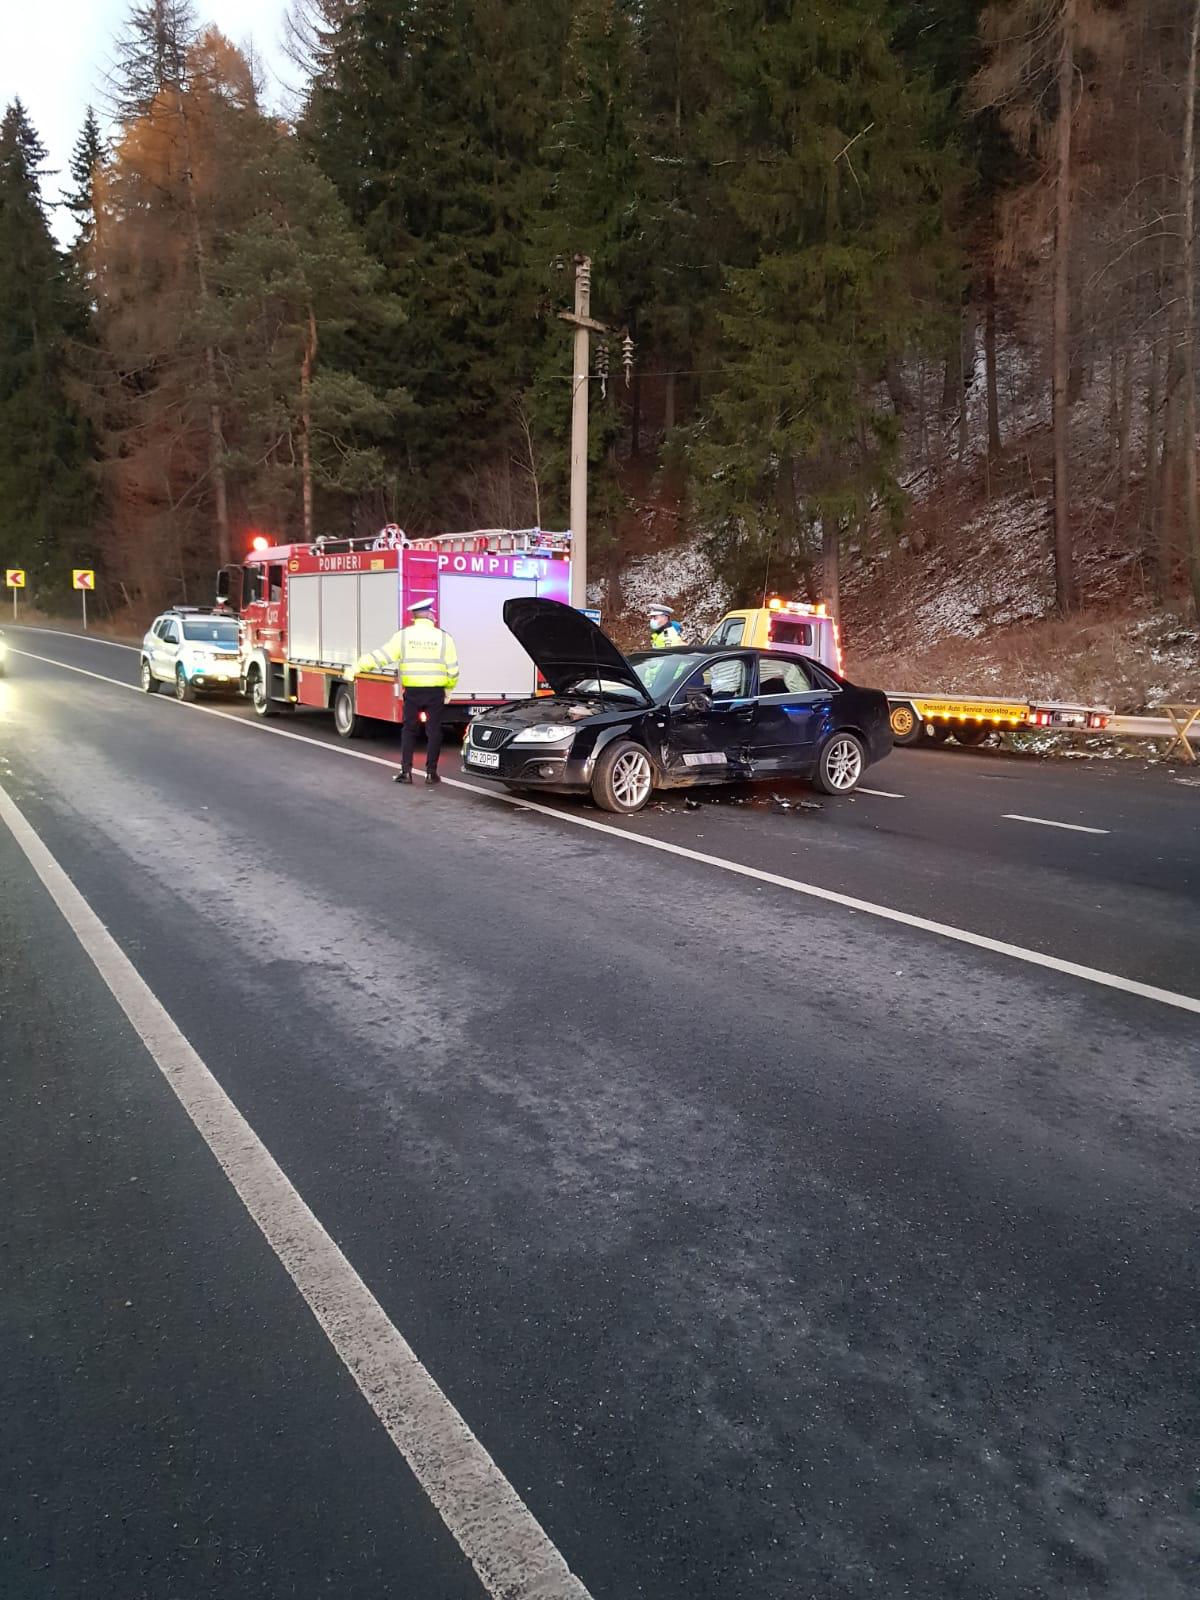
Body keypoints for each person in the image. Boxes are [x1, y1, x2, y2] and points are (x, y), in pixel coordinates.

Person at [350, 597, 460, 785]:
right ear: (428, 615)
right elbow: (453, 669)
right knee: (434, 732)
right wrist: (449, 690)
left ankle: (406, 772)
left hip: (413, 690)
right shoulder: (444, 637)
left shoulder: (403, 636)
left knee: (409, 730)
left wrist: (358, 666)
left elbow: (382, 657)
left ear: (414, 617)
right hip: (435, 692)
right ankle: (431, 774)